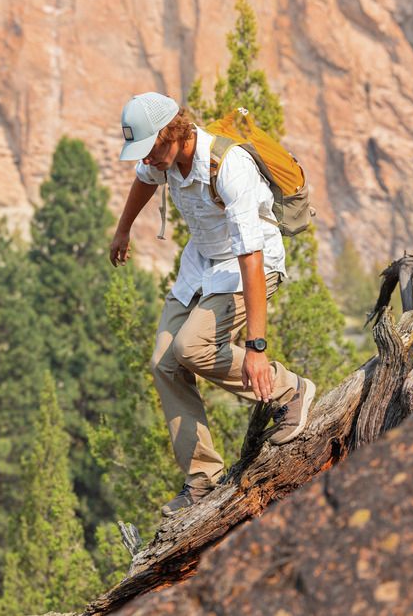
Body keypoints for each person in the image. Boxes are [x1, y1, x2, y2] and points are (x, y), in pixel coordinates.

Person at [110, 91, 316, 517]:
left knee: (191, 347)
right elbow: (142, 182)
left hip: (250, 268)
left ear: (173, 133)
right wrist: (123, 230)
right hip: (202, 265)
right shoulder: (160, 160)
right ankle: (202, 479)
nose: (146, 161)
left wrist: (256, 348)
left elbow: (251, 257)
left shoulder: (229, 168)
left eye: (150, 151)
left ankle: (290, 390)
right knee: (164, 363)